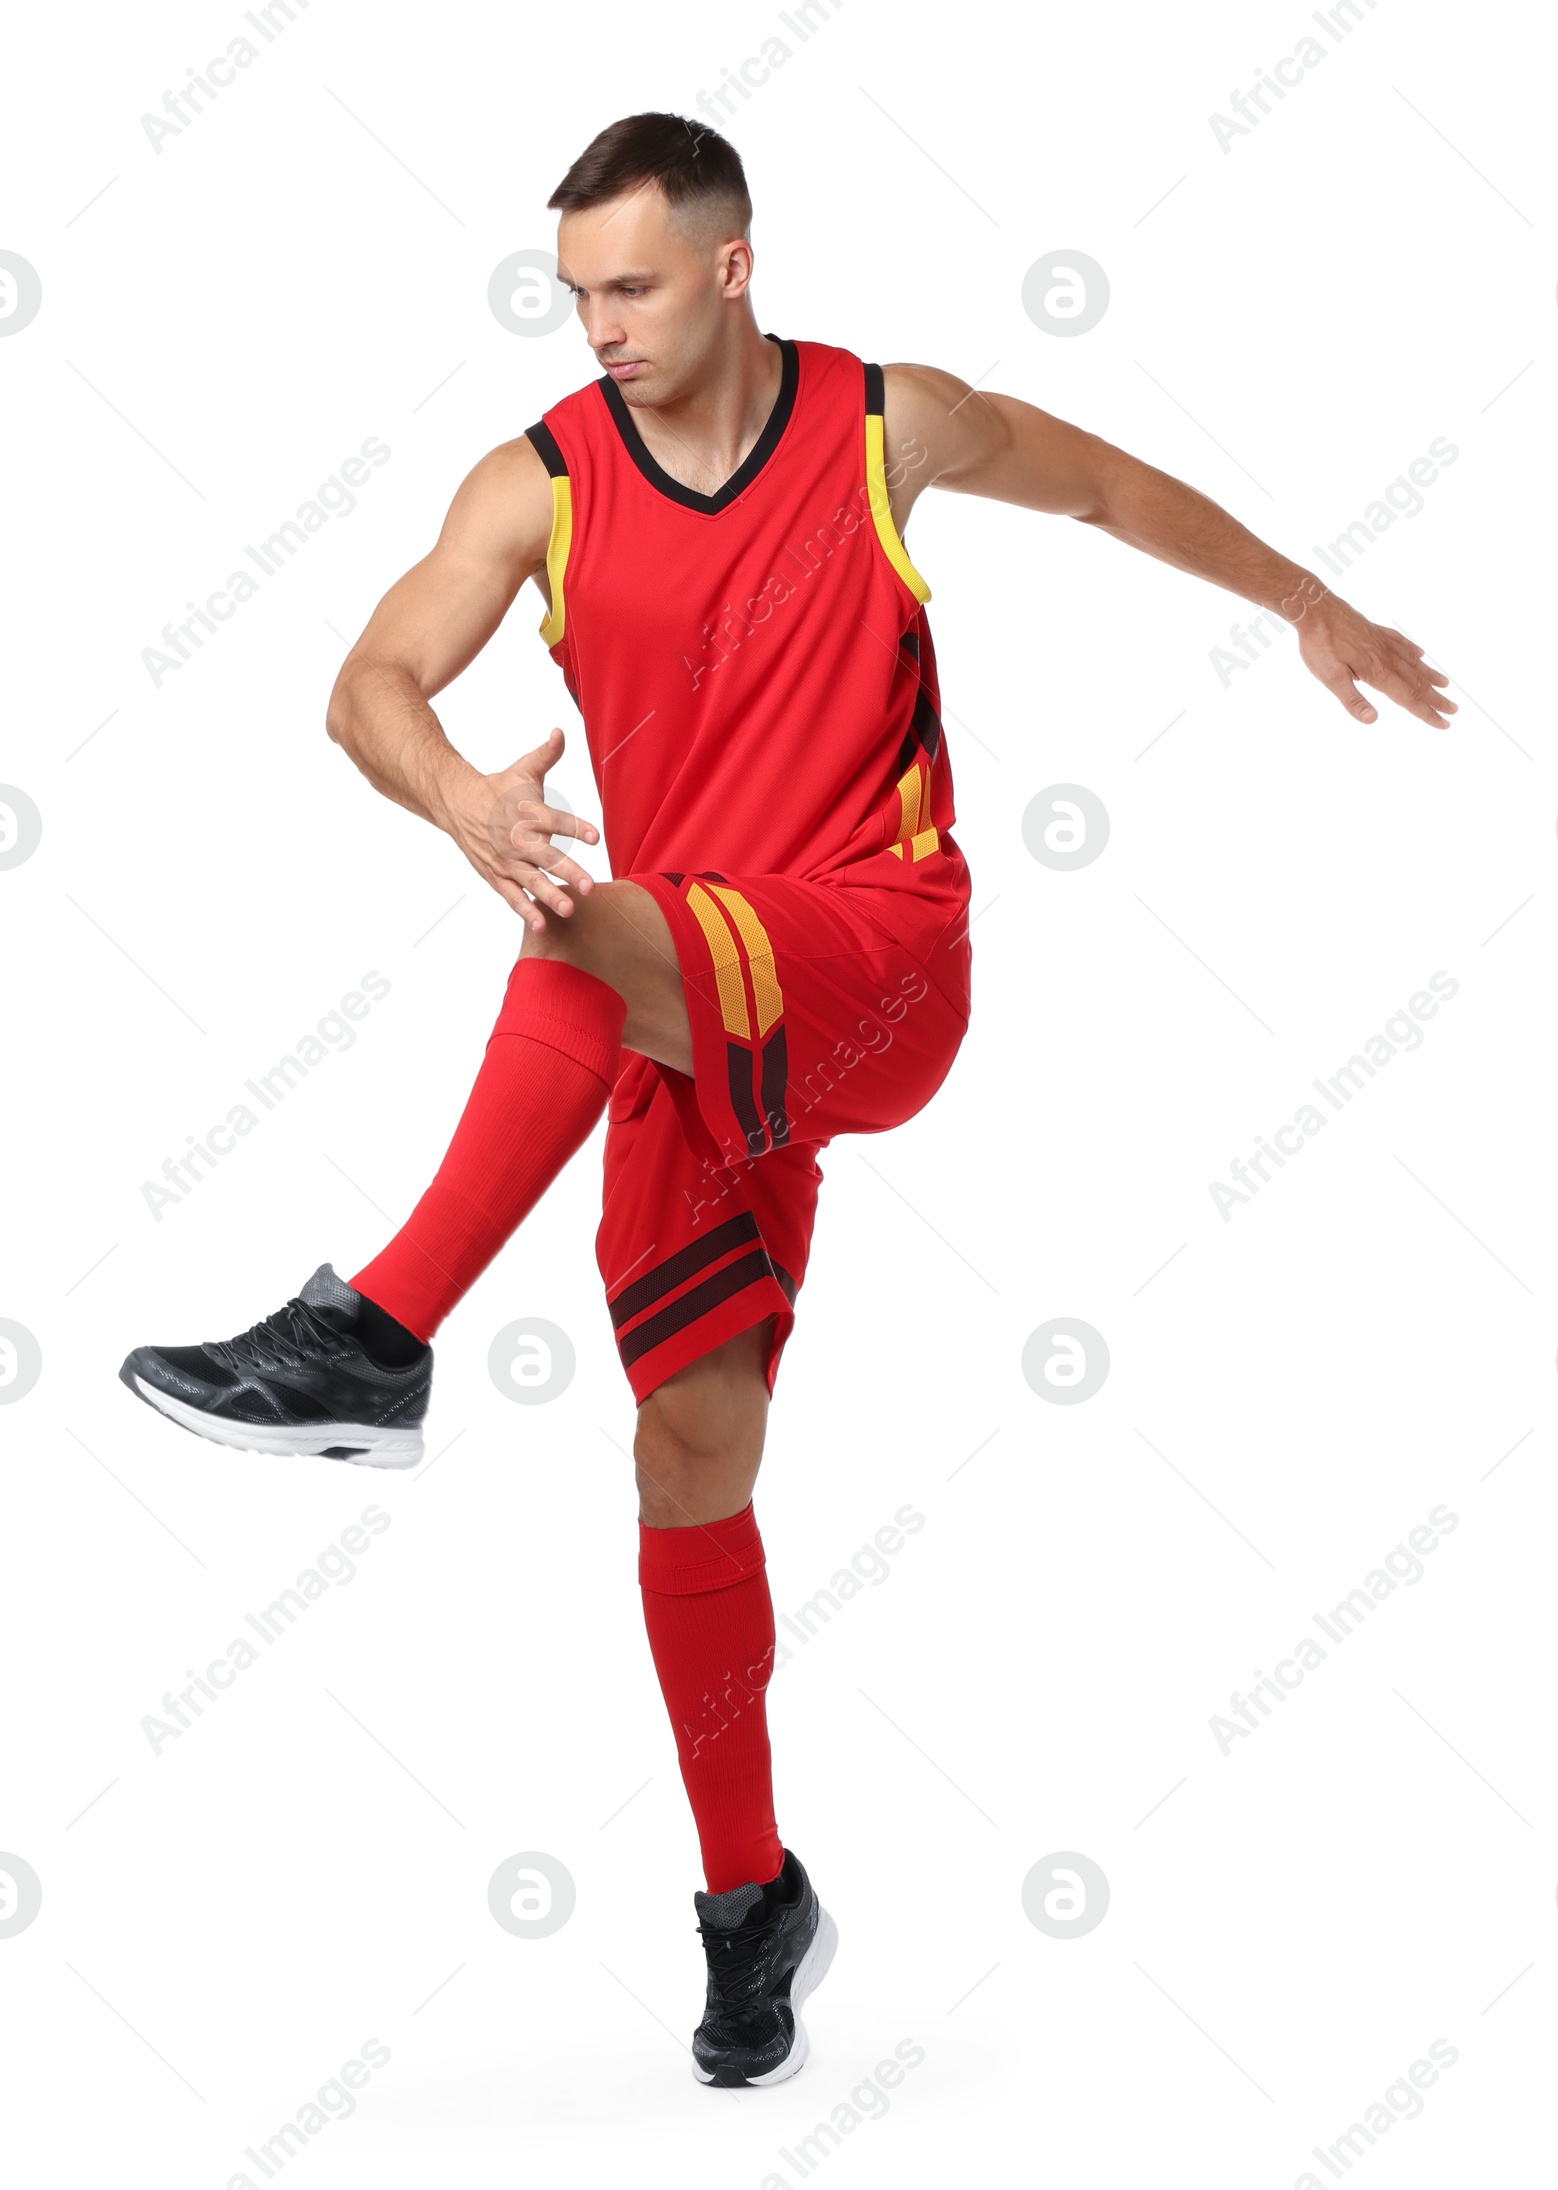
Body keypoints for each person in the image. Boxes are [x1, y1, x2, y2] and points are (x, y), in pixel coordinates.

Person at [119, 111, 1454, 2087]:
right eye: (575, 294)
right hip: (679, 1019)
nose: (601, 328)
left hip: (864, 957)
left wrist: (1300, 601)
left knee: (574, 924)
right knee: (686, 1453)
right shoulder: (540, 480)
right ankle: (755, 1907)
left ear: (732, 268)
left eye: (634, 287)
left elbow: (1098, 489)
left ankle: (376, 1331)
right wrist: (465, 796)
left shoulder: (879, 426)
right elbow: (368, 688)